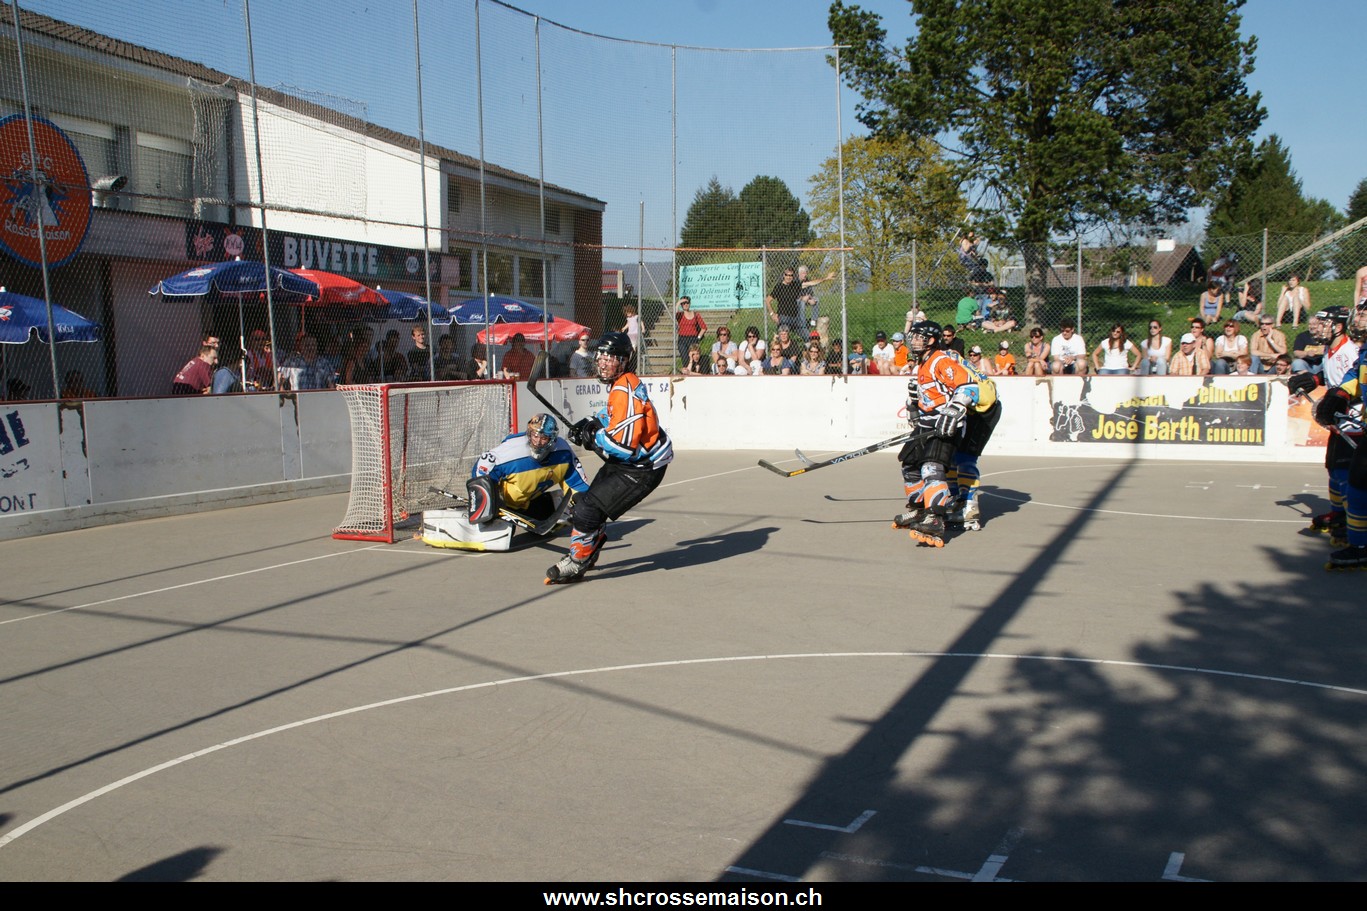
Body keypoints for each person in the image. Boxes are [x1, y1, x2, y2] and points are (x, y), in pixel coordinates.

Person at [548, 332, 672, 584]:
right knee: (587, 502)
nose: (603, 363)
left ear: (624, 361)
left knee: (586, 511)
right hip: (634, 462)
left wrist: (592, 437)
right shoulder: (623, 383)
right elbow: (614, 418)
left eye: (610, 358)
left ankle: (578, 561)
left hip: (642, 468)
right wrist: (592, 422)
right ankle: (590, 547)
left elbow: (621, 447)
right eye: (601, 357)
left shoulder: (624, 390)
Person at [892, 320, 979, 548]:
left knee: (931, 467)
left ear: (931, 340)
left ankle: (935, 518)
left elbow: (969, 386)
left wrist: (955, 408)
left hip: (945, 425)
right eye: (913, 336)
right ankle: (919, 510)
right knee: (910, 466)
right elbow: (929, 394)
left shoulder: (941, 360)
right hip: (926, 424)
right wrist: (913, 406)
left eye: (919, 337)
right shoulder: (922, 363)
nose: (914, 341)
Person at [1296, 307, 1361, 543]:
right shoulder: (1329, 349)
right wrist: (1313, 379)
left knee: (1344, 470)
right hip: (1337, 421)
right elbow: (1331, 374)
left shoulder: (1349, 351)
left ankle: (1350, 519)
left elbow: (1356, 381)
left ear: (1339, 327)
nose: (1319, 328)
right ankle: (1338, 512)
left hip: (1352, 421)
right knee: (1332, 467)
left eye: (1325, 324)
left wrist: (1339, 400)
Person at [468, 413, 591, 529]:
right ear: (529, 433)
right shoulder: (512, 450)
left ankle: (549, 504)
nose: (538, 442)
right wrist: (485, 500)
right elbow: (483, 465)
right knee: (499, 529)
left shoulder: (563, 452)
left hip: (528, 503)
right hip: (503, 505)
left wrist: (586, 508)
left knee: (573, 516)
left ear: (552, 439)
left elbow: (576, 484)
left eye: (544, 438)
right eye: (535, 435)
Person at [1318, 300, 1367, 570]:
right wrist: (1339, 394)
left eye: (1364, 314)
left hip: (1356, 424)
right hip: (1360, 424)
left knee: (1353, 479)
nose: (1358, 319)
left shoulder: (1353, 349)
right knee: (1354, 480)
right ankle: (1358, 544)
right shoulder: (1364, 350)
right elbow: (1354, 375)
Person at [765, 267, 805, 334]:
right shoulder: (779, 287)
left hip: (795, 318)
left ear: (793, 276)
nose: (788, 277)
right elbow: (767, 300)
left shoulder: (795, 285)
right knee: (783, 336)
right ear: (784, 275)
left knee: (807, 336)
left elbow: (809, 284)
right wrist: (772, 314)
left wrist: (823, 279)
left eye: (791, 275)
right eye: (787, 275)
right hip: (784, 318)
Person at [674, 296, 706, 365]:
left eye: (687, 303)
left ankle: (694, 370)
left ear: (690, 303)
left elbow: (704, 328)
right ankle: (686, 370)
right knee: (685, 358)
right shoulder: (680, 315)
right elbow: (675, 313)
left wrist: (698, 338)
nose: (685, 304)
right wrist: (678, 303)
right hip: (682, 339)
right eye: (683, 303)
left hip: (693, 338)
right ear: (681, 305)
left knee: (694, 358)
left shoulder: (696, 314)